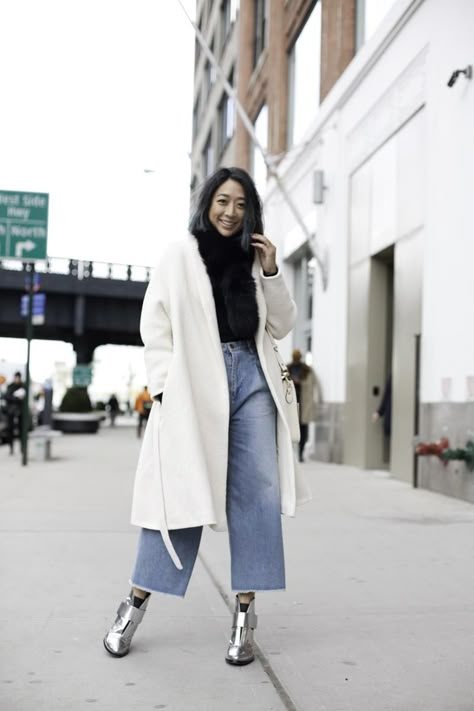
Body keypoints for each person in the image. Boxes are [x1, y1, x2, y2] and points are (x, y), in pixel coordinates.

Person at [103, 166, 311, 665]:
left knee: (256, 494)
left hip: (253, 379)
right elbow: (155, 323)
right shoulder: (180, 254)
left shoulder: (253, 258)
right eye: (222, 201)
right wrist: (162, 388)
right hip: (196, 381)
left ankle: (245, 616)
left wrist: (271, 271)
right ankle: (133, 604)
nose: (230, 212)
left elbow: (281, 325)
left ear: (250, 210)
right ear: (207, 202)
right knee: (180, 493)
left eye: (240, 204)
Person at [287, 350, 321, 462]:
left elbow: (316, 384)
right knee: (292, 430)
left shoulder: (307, 370)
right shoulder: (288, 368)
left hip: (304, 405)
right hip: (291, 404)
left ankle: (300, 454)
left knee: (303, 431)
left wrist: (319, 399)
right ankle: (292, 453)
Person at [5, 372, 26, 455]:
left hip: (20, 411)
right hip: (11, 411)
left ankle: (22, 447)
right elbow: (6, 396)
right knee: (10, 429)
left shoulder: (23, 386)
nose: (17, 379)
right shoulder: (10, 386)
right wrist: (16, 397)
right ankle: (11, 448)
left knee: (21, 429)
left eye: (18, 378)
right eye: (16, 377)